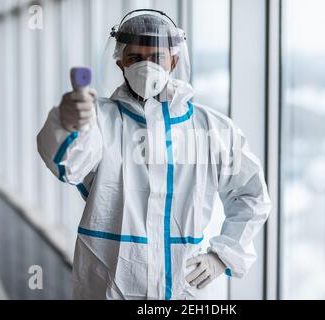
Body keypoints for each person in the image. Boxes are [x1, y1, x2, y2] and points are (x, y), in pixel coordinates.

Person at [37, 9, 271, 300]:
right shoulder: (99, 120)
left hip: (186, 289)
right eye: (135, 58)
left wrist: (223, 254)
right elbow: (67, 165)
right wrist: (69, 122)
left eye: (156, 57)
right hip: (109, 286)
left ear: (173, 61)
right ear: (120, 61)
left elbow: (252, 196)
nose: (146, 66)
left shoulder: (212, 129)